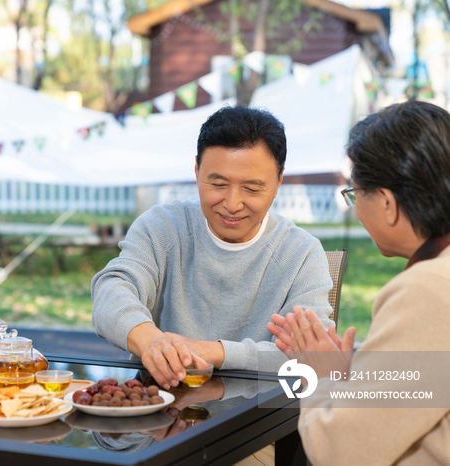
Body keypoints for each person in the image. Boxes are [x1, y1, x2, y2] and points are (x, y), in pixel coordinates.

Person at [92, 105, 334, 390]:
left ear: (279, 181)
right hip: (160, 409)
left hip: (257, 418)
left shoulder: (300, 253)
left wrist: (212, 351)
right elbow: (112, 290)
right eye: (218, 183)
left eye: (252, 189)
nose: (232, 204)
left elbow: (311, 355)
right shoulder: (162, 227)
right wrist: (151, 340)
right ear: (197, 171)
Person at [268, 100, 450, 465]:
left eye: (354, 194)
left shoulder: (429, 289)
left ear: (386, 202)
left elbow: (339, 452)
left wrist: (321, 375)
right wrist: (358, 374)